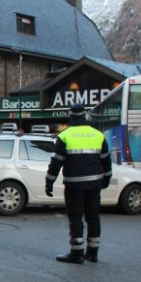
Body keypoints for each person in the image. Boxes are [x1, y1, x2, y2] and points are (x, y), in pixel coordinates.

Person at [45, 103, 111, 264]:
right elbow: (106, 161)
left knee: (76, 217)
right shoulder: (97, 135)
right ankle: (93, 253)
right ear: (84, 116)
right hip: (94, 183)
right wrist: (106, 179)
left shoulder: (65, 136)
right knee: (93, 217)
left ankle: (77, 253)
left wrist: (49, 182)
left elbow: (56, 162)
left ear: (71, 116)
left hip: (74, 185)